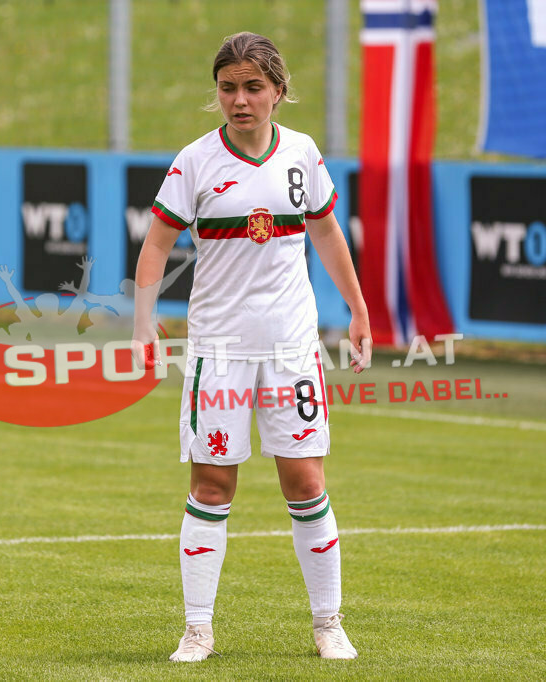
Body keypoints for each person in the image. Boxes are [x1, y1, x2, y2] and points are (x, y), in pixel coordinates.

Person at [131, 31, 372, 662]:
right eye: (228, 87)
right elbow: (156, 244)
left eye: (253, 87)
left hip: (292, 348)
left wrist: (357, 305)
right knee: (211, 484)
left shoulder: (302, 153)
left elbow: (325, 231)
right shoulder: (194, 161)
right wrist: (142, 322)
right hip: (220, 350)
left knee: (305, 479)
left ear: (279, 92)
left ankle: (328, 624)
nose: (240, 100)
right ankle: (197, 629)